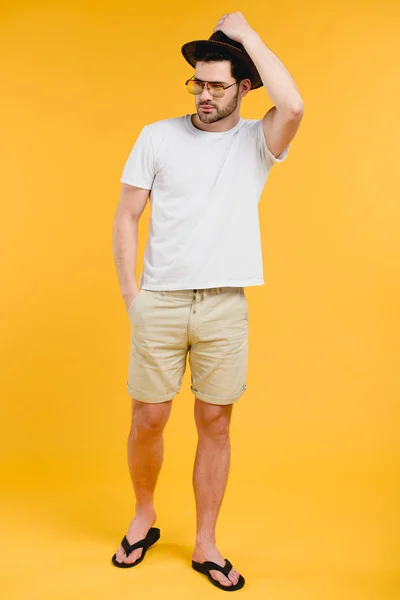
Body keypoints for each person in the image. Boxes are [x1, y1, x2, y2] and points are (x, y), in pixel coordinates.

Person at [111, 11, 304, 591]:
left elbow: (292, 106)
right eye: (198, 82)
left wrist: (248, 37)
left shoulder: (257, 141)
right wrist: (132, 298)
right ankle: (144, 516)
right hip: (161, 301)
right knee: (148, 417)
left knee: (214, 422)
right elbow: (126, 216)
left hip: (224, 304)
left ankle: (205, 542)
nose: (204, 94)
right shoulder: (157, 135)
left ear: (244, 88)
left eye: (218, 84)